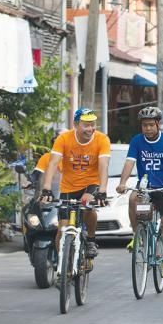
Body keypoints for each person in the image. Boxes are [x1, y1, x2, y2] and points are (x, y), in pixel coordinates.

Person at [116, 107, 163, 280]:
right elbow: (129, 163)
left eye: (151, 125)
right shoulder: (137, 141)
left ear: (157, 124)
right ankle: (136, 235)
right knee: (132, 199)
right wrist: (122, 183)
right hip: (145, 187)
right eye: (144, 125)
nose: (147, 128)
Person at [40, 109, 110, 259]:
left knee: (87, 204)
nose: (90, 129)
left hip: (91, 184)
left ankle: (91, 240)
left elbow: (103, 165)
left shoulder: (102, 139)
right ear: (76, 125)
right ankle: (62, 266)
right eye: (86, 125)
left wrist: (102, 190)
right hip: (68, 187)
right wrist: (46, 188)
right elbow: (52, 163)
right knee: (62, 229)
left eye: (93, 125)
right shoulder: (64, 138)